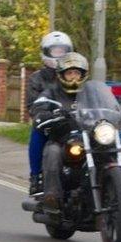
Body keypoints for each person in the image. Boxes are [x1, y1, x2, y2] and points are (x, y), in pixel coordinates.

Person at [31, 52, 89, 211]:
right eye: (70, 73)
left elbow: (106, 106)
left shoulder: (89, 93)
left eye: (77, 72)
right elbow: (39, 108)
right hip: (62, 140)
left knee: (110, 151)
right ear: (62, 75)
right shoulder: (51, 92)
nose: (74, 77)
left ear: (83, 75)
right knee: (52, 152)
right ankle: (52, 196)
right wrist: (46, 114)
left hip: (89, 140)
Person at [26, 31, 74, 196]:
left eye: (62, 51)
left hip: (74, 121)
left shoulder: (75, 74)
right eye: (55, 51)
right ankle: (36, 176)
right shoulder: (37, 78)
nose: (59, 55)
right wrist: (43, 114)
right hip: (52, 121)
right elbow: (33, 105)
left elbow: (89, 94)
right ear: (46, 52)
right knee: (37, 131)